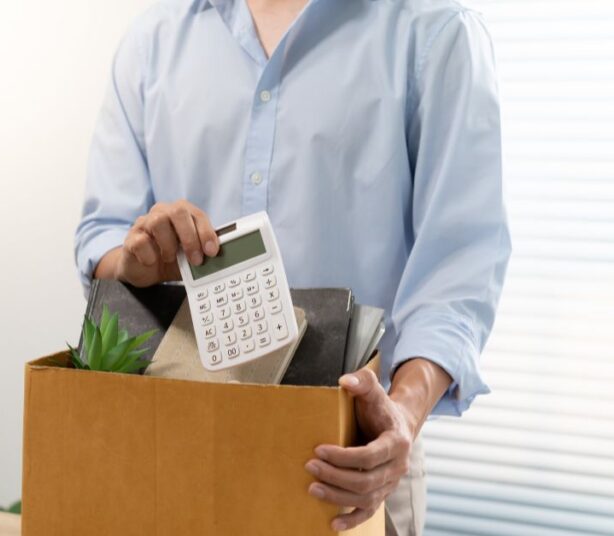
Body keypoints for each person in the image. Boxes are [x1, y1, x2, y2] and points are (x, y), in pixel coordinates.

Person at [74, 0, 510, 533]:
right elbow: (101, 239)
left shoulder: (436, 31)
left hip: (346, 468)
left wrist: (404, 412)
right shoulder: (152, 40)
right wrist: (137, 261)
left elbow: (458, 268)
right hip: (172, 451)